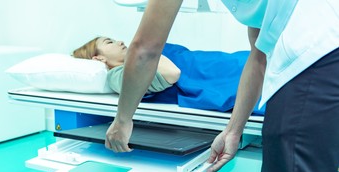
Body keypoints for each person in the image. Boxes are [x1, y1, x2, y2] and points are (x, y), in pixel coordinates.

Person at [104, 0, 339, 172]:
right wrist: (232, 131)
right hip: (312, 52)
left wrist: (123, 119)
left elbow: (146, 49)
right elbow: (258, 56)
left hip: (319, 50)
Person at [73, 36, 264, 114]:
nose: (119, 41)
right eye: (109, 42)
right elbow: (172, 73)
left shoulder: (136, 58)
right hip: (214, 79)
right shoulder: (116, 75)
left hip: (215, 65)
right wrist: (149, 48)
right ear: (98, 58)